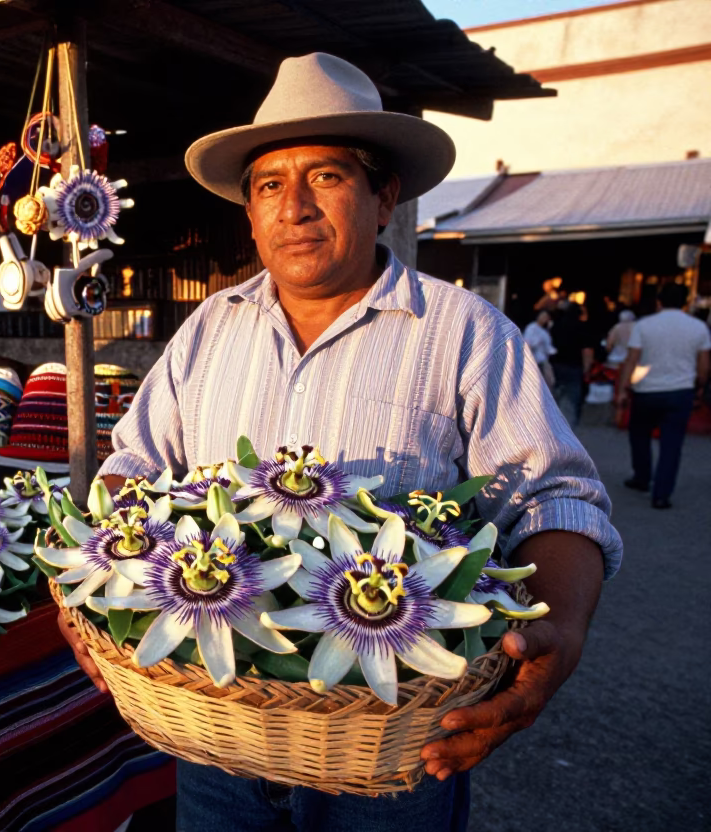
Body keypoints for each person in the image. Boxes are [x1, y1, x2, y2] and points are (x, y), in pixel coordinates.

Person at [59, 53, 621, 831]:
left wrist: (561, 628)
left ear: (383, 196)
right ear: (250, 215)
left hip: (392, 745)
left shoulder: (462, 332)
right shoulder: (206, 333)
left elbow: (556, 495)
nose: (294, 208)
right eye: (268, 186)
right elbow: (136, 466)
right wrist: (94, 579)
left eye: (325, 177)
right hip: (220, 736)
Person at [615, 283, 710, 509]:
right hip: (680, 391)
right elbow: (704, 364)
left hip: (646, 390)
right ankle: (661, 493)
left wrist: (622, 388)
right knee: (672, 444)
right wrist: (699, 386)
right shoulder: (698, 328)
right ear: (685, 302)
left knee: (639, 435)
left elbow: (632, 359)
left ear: (659, 301)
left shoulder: (644, 325)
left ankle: (641, 476)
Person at [548, 302, 595, 425]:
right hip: (574, 366)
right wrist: (587, 369)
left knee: (553, 396)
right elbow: (587, 351)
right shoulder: (583, 328)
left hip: (555, 365)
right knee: (571, 399)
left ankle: (550, 423)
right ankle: (566, 428)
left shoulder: (556, 326)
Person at [523, 310, 556, 387]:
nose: (544, 318)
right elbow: (527, 343)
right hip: (534, 361)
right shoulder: (531, 328)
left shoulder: (545, 332)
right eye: (542, 316)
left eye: (546, 317)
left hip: (543, 360)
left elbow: (548, 347)